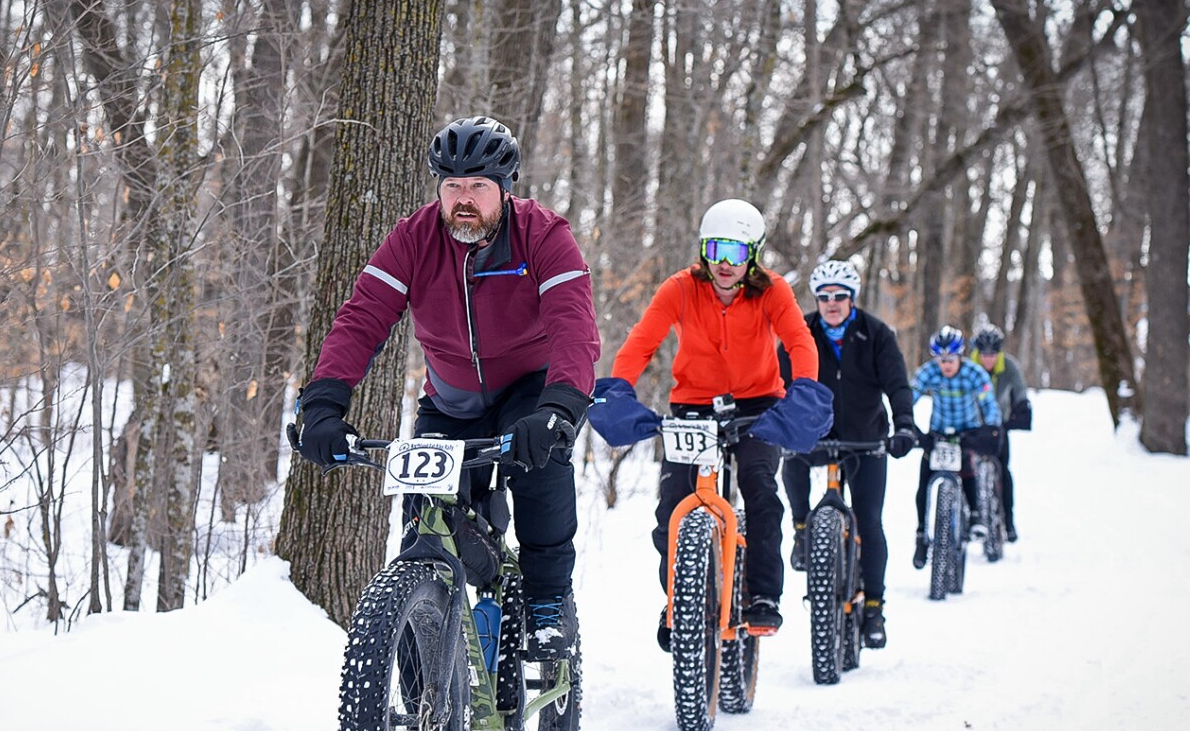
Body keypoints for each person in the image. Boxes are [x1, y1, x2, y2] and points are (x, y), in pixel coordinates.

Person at [295, 115, 600, 660]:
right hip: (452, 400)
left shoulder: (544, 236)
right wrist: (323, 403)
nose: (464, 199)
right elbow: (361, 319)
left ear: (504, 190)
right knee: (425, 525)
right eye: (453, 186)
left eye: (478, 186)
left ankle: (548, 601)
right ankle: (421, 693)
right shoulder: (412, 239)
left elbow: (574, 327)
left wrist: (560, 406)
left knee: (541, 467)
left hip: (529, 391)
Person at [589, 198, 829, 650]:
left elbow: (800, 341)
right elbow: (642, 342)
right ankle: (677, 599)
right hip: (693, 406)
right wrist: (619, 387)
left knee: (760, 491)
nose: (723, 263)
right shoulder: (679, 288)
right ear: (703, 248)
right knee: (673, 507)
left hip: (759, 405)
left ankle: (761, 595)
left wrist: (803, 392)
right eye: (716, 249)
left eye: (736, 253)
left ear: (752, 255)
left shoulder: (773, 290)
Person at [777, 260, 916, 649]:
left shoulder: (876, 334)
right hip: (814, 433)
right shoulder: (799, 332)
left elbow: (898, 384)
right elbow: (776, 382)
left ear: (851, 298)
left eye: (839, 296)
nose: (832, 303)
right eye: (824, 297)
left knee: (870, 521)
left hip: (866, 438)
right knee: (792, 458)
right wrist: (775, 421)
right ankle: (802, 529)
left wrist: (904, 425)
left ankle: (874, 608)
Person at [909, 325, 1001, 568]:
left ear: (960, 356)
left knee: (967, 468)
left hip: (967, 430)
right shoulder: (928, 372)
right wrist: (906, 422)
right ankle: (921, 535)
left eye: (951, 359)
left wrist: (991, 428)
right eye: (941, 359)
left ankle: (976, 516)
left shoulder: (974, 373)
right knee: (925, 478)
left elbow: (988, 402)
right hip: (938, 430)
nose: (946, 365)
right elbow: (911, 395)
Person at [969, 324, 1029, 542]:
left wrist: (1022, 409)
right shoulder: (969, 367)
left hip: (999, 426)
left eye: (992, 354)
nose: (988, 359)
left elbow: (1020, 390)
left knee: (1003, 470)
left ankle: (1008, 520)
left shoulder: (1009, 366)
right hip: (972, 425)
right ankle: (970, 515)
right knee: (966, 470)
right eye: (984, 354)